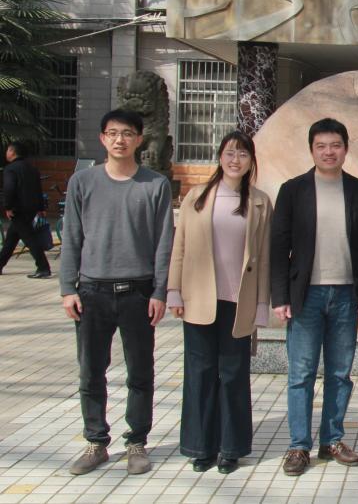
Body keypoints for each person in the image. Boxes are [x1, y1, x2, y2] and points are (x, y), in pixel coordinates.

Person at [59, 109, 174, 476]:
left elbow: (164, 243)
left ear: (139, 139)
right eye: (112, 133)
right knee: (91, 371)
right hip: (92, 291)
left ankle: (136, 441)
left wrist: (160, 291)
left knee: (140, 371)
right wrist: (67, 288)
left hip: (138, 292)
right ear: (102, 138)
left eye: (127, 133)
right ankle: (96, 441)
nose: (119, 140)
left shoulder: (155, 184)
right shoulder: (83, 182)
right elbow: (71, 237)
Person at [270, 118, 358, 476]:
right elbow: (278, 246)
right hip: (306, 295)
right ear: (312, 150)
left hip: (346, 294)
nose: (329, 152)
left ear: (345, 148)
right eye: (321, 146)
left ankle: (332, 440)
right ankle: (299, 446)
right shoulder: (293, 190)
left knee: (340, 373)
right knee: (301, 373)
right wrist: (280, 296)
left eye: (335, 145)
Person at [167, 131, 272, 474]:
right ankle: (200, 446)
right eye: (229, 153)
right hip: (199, 299)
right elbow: (180, 247)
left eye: (242, 154)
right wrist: (173, 291)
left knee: (233, 374)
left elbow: (264, 257)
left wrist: (261, 305)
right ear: (219, 157)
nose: (235, 159)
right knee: (199, 373)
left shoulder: (260, 202)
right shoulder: (197, 196)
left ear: (251, 161)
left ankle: (231, 448)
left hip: (238, 302)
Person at [0, 142, 51, 278]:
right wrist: (41, 208)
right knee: (12, 238)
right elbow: (38, 189)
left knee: (30, 239)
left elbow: (9, 189)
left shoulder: (10, 169)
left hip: (18, 209)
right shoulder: (32, 169)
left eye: (8, 150)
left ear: (13, 152)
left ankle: (43, 268)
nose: (6, 153)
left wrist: (8, 207)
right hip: (31, 209)